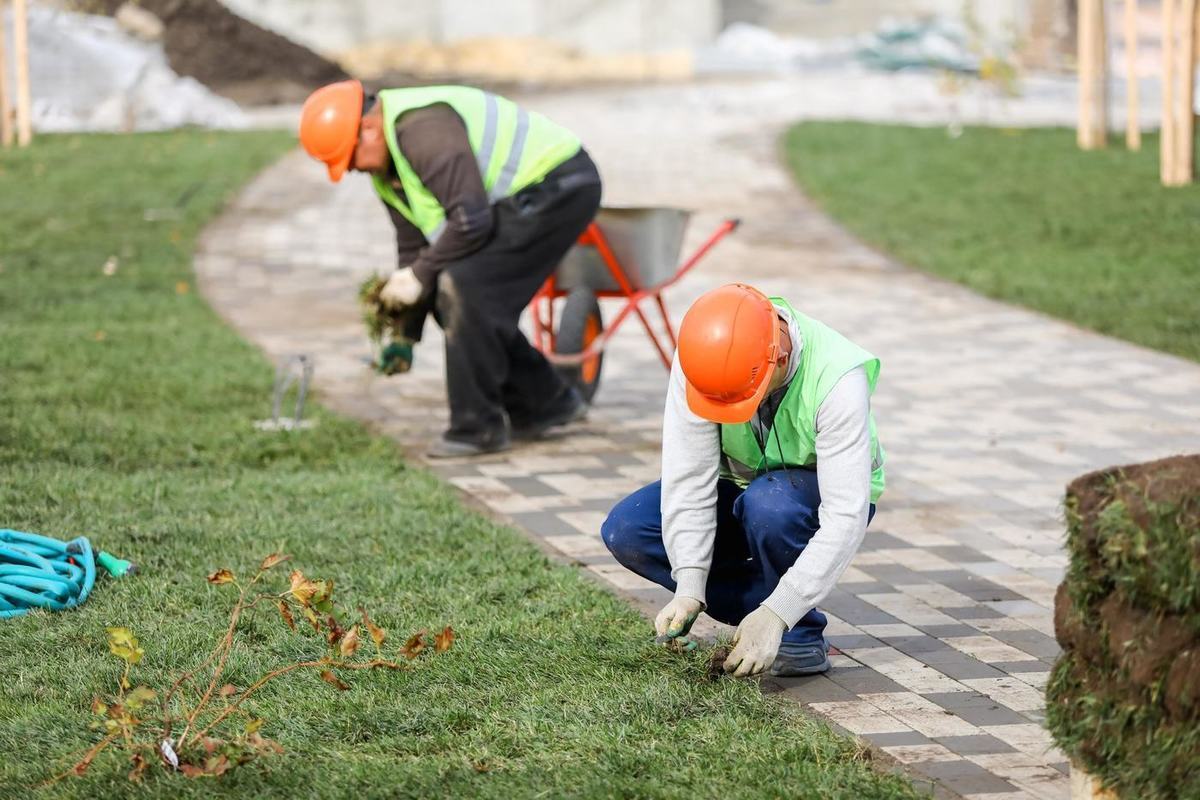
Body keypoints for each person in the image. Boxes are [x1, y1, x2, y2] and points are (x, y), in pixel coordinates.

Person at [299, 80, 601, 457]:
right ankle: (546, 403)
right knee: (458, 295)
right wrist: (404, 334)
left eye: (349, 159)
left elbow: (471, 220)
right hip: (515, 201)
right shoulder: (387, 174)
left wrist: (421, 276)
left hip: (557, 185)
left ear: (370, 129)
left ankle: (477, 429)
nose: (350, 171)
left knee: (465, 287)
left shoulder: (423, 133)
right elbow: (415, 250)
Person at [601, 283, 886, 677]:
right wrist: (689, 586)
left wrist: (779, 611)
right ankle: (761, 617)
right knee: (628, 529)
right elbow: (688, 481)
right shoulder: (703, 357)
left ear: (780, 357)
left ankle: (794, 632)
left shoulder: (838, 380)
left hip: (809, 500)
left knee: (771, 504)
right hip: (739, 486)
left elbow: (844, 516)